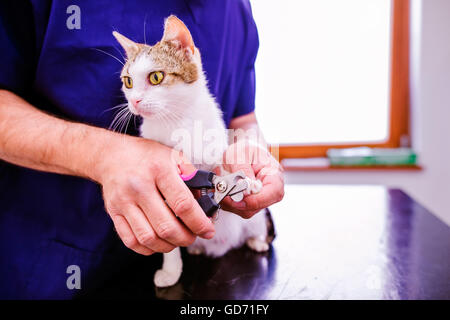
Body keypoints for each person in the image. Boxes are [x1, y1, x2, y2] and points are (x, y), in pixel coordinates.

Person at [0, 0, 284, 299]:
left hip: (198, 266)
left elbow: (243, 119)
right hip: (54, 267)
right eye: (128, 83)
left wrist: (253, 154)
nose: (133, 100)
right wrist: (103, 155)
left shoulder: (237, 8)